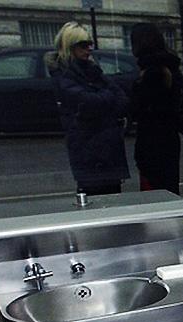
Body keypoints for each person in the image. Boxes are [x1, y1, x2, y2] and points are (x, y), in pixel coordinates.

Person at [47, 21, 129, 195]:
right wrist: (107, 100)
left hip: (108, 150)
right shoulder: (63, 75)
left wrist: (105, 101)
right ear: (69, 47)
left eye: (90, 44)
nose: (89, 49)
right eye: (83, 45)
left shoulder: (92, 70)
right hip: (88, 152)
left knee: (114, 202)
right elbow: (89, 102)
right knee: (95, 204)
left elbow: (122, 99)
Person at [130, 23, 183, 194]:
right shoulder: (171, 67)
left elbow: (138, 108)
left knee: (154, 193)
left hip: (151, 142)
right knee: (169, 187)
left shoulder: (151, 72)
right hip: (169, 138)